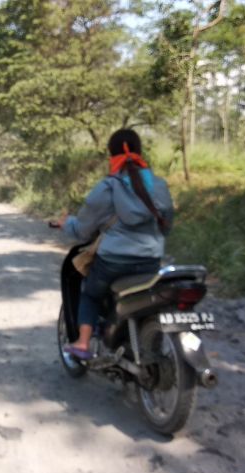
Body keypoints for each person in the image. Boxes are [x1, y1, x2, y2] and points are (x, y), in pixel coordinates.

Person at [57, 128, 174, 360]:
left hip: (113, 262)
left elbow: (82, 230)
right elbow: (166, 224)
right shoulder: (159, 185)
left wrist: (66, 224)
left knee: (89, 293)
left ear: (111, 155)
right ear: (140, 152)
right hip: (150, 260)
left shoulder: (108, 187)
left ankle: (82, 343)